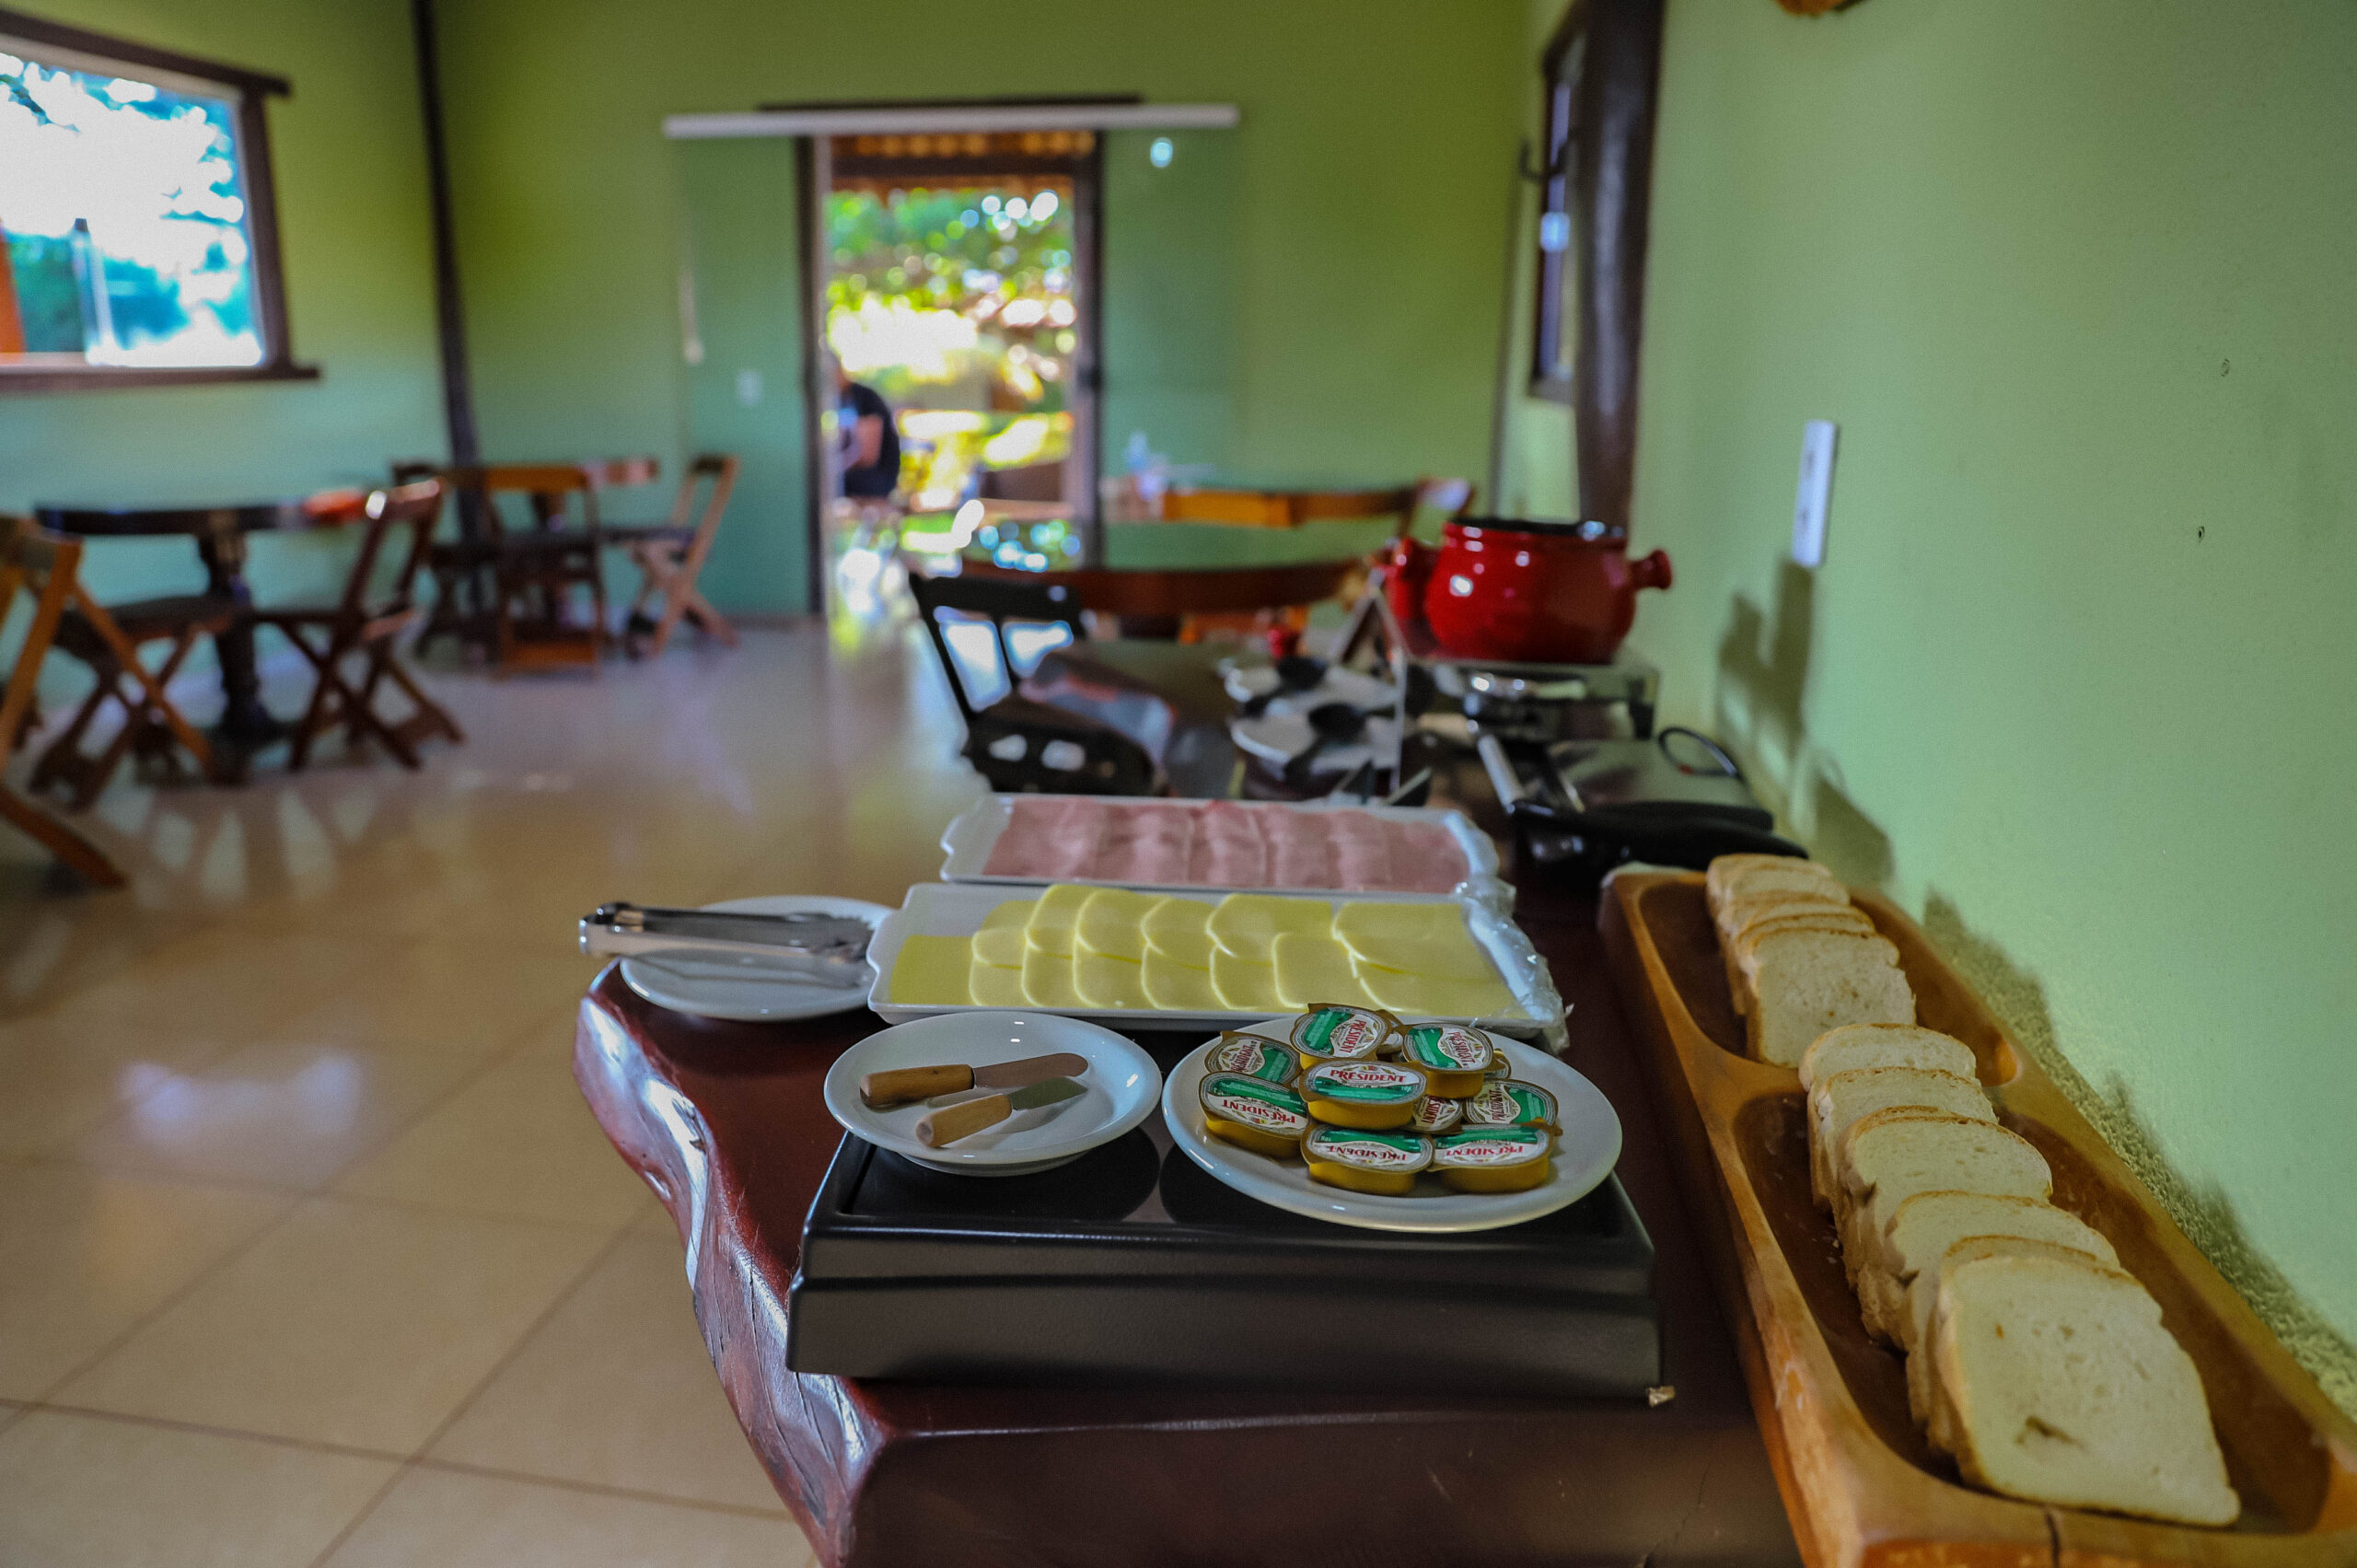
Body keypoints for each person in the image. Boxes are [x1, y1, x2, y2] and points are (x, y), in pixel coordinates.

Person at [835, 366, 901, 499]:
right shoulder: (839, 399)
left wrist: (835, 466)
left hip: (877, 478)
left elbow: (867, 456)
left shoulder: (864, 397)